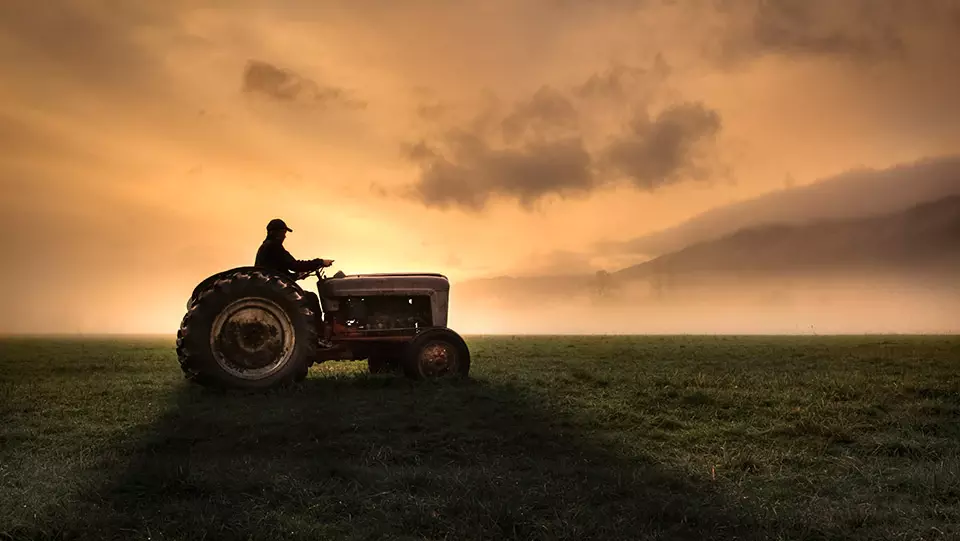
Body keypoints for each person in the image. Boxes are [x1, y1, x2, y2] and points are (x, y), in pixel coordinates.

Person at [255, 218, 334, 343]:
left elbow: (278, 271)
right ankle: (320, 335)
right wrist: (320, 262)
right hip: (274, 290)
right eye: (283, 233)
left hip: (273, 286)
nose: (285, 236)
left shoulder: (266, 247)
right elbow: (294, 264)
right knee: (312, 298)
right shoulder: (274, 247)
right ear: (274, 233)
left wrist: (297, 276)